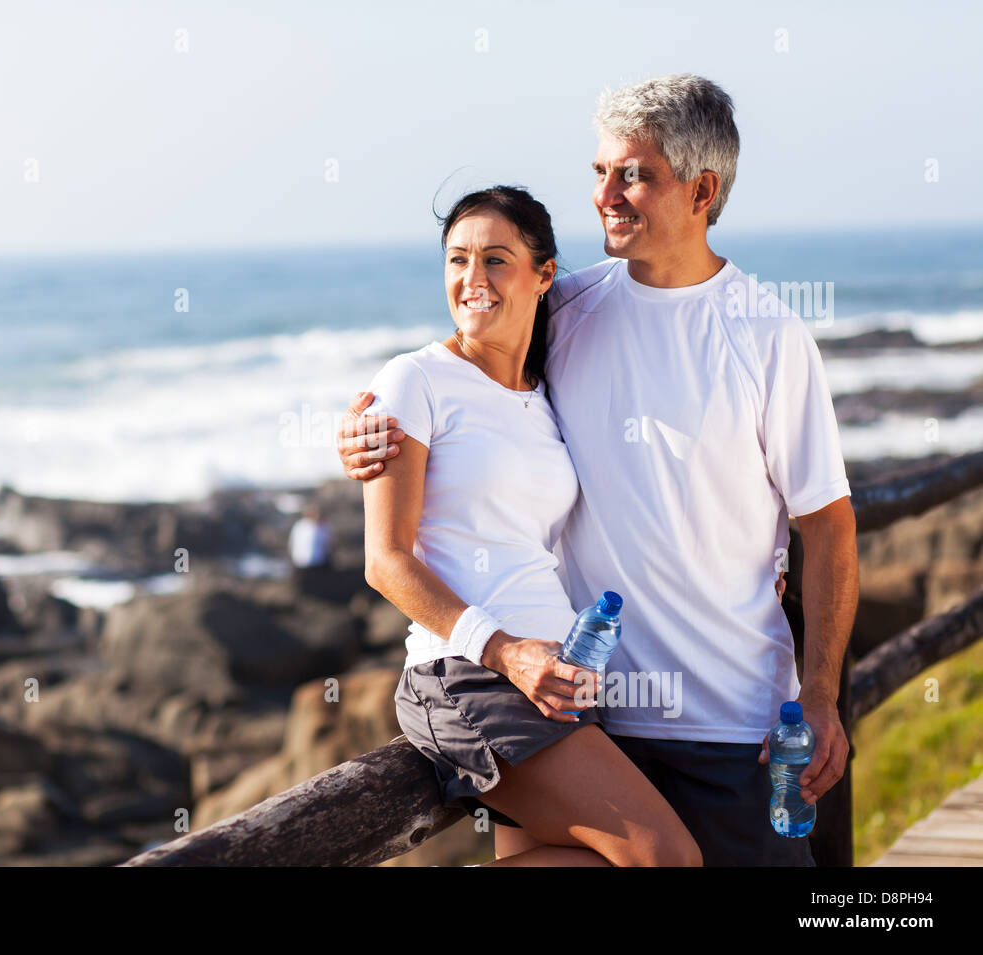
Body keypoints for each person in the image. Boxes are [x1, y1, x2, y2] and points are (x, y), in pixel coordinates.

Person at [339, 74, 858, 867]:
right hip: (591, 710)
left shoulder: (768, 335)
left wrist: (819, 698)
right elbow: (468, 360)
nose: (606, 195)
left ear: (701, 189)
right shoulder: (566, 312)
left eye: (634, 174)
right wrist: (365, 431)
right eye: (598, 172)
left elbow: (826, 522)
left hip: (736, 728)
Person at [361, 184, 701, 866]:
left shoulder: (544, 396)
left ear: (543, 275)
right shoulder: (414, 380)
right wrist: (505, 651)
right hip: (471, 674)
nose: (472, 280)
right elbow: (386, 560)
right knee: (668, 858)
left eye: (495, 260)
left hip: (556, 676)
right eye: (457, 260)